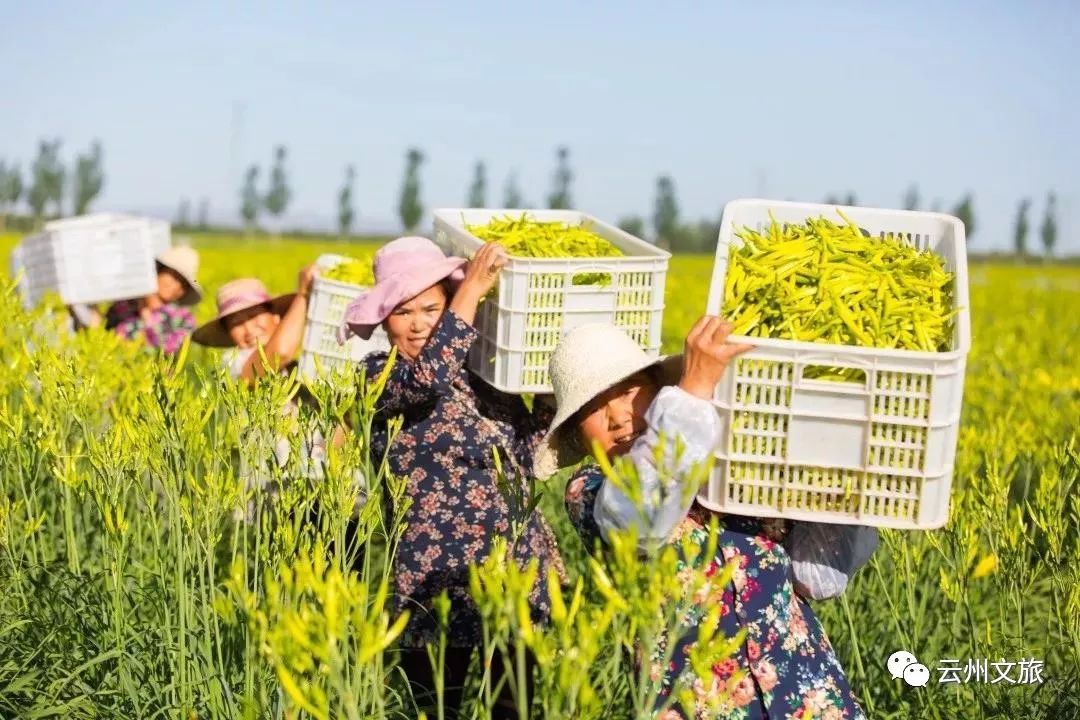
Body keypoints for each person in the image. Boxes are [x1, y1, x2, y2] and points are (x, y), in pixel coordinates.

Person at [534, 318, 876, 720]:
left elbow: (815, 576)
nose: (618, 417)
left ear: (658, 392)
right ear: (577, 433)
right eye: (592, 408)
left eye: (629, 392)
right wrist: (693, 394)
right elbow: (644, 520)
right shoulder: (590, 492)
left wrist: (836, 485)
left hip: (806, 693)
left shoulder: (729, 468)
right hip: (700, 706)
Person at [338, 236, 566, 719]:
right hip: (434, 580)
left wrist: (551, 397)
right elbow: (428, 377)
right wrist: (471, 292)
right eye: (403, 313)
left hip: (511, 570)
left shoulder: (487, 377)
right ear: (384, 321)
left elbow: (524, 454)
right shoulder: (378, 377)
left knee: (516, 707)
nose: (419, 324)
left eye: (431, 308)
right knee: (434, 707)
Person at [74, 245, 204, 355]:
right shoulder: (125, 305)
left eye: (183, 284)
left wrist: (146, 314)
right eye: (173, 276)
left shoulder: (184, 319)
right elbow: (104, 333)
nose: (176, 286)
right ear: (158, 271)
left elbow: (167, 352)